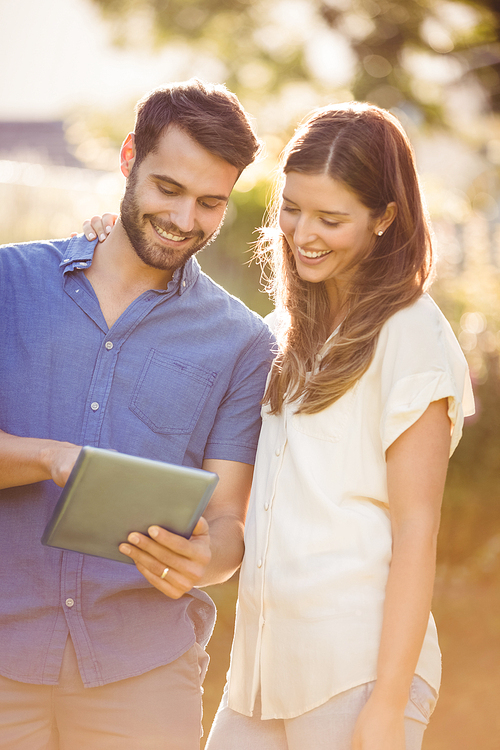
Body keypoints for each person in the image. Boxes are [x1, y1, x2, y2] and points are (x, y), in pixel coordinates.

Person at [0, 79, 274, 750]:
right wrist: (52, 457)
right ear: (129, 158)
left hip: (142, 670)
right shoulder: (10, 285)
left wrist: (207, 560)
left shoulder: (241, 342)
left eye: (211, 203)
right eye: (168, 190)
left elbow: (229, 523)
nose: (185, 220)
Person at [200, 102, 474, 750]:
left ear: (385, 218)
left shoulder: (411, 333)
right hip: (260, 676)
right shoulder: (280, 335)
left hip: (358, 673)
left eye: (331, 218)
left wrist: (386, 703)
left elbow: (415, 530)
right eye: (292, 208)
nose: (303, 233)